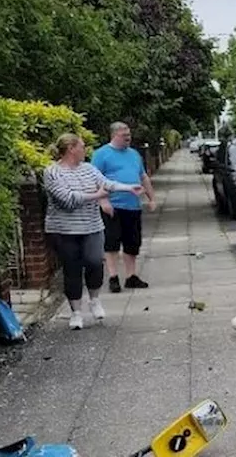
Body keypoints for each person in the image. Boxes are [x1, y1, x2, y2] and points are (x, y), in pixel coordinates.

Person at [42, 133, 143, 330]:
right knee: (72, 269)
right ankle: (76, 313)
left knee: (95, 262)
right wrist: (97, 195)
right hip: (64, 229)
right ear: (71, 149)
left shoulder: (88, 169)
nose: (84, 149)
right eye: (81, 146)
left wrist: (128, 187)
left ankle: (94, 300)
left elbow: (106, 183)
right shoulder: (52, 172)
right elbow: (67, 199)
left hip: (92, 226)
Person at [92, 121, 156, 293]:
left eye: (129, 135)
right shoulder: (101, 154)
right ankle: (113, 277)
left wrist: (151, 198)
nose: (128, 138)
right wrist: (103, 201)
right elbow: (93, 180)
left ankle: (131, 276)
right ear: (114, 135)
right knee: (111, 242)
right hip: (113, 205)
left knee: (132, 242)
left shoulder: (134, 154)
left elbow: (143, 177)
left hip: (133, 206)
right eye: (124, 135)